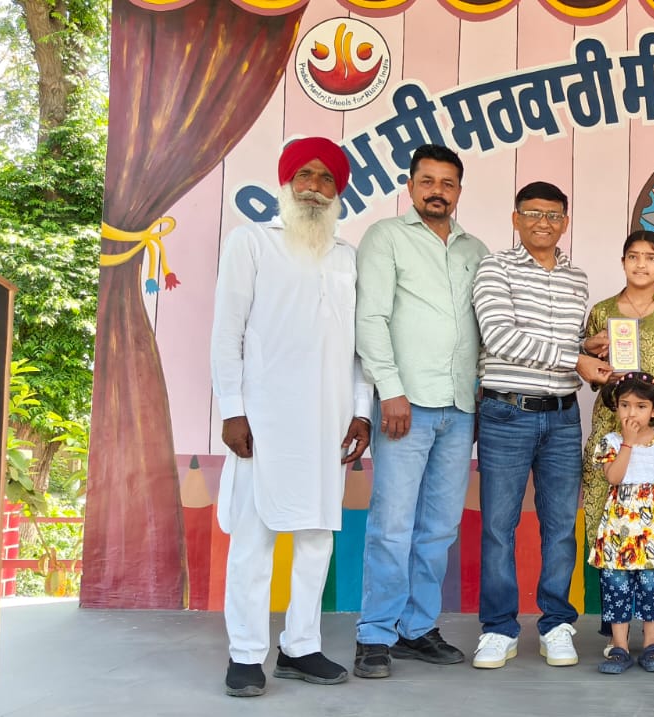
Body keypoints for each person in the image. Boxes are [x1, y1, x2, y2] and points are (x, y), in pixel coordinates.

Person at [211, 137, 371, 696]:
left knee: (316, 539)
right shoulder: (252, 242)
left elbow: (359, 347)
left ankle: (300, 647)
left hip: (329, 423)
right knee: (253, 541)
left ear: (338, 192)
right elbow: (226, 333)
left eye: (326, 179)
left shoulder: (348, 257)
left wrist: (361, 412)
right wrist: (232, 411)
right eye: (304, 175)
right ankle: (245, 654)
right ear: (286, 183)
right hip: (263, 421)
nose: (314, 187)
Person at [353, 144, 489, 678]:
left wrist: (480, 389)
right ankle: (374, 633)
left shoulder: (475, 249)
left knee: (438, 528)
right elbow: (371, 318)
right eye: (427, 181)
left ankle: (417, 628)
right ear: (410, 186)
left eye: (447, 183)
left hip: (460, 406)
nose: (437, 191)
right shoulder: (386, 237)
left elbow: (484, 326)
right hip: (404, 406)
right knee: (392, 524)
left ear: (459, 191)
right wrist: (390, 390)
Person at [472, 181, 613, 669]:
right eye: (532, 213)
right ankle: (498, 629)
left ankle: (557, 624)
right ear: (515, 219)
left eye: (553, 215)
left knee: (560, 527)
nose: (543, 223)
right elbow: (500, 337)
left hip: (563, 417)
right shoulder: (495, 267)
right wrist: (575, 359)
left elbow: (566, 343)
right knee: (499, 527)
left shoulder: (577, 279)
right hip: (505, 413)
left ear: (565, 223)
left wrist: (587, 348)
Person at [580, 231, 654, 661]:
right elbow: (591, 374)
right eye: (634, 256)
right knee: (609, 523)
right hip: (612, 431)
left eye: (650, 258)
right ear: (623, 261)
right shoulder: (603, 312)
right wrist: (594, 355)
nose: (641, 264)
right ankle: (615, 635)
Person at [588, 373, 654, 674]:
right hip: (618, 530)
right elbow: (614, 477)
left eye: (641, 406)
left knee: (652, 587)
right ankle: (619, 647)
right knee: (616, 587)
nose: (631, 413)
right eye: (625, 405)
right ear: (616, 406)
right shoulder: (611, 442)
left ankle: (651, 645)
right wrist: (628, 444)